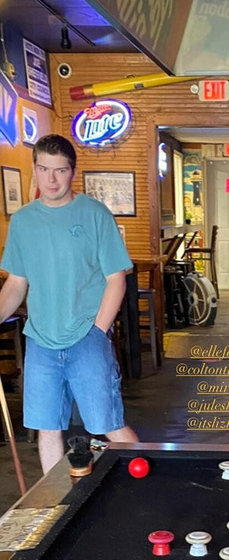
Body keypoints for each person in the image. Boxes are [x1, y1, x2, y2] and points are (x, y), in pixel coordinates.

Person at [0, 134, 138, 474]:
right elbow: (16, 283)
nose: (51, 179)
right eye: (43, 169)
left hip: (86, 336)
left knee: (109, 425)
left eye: (60, 170)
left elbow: (116, 279)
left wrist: (97, 331)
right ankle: (57, 500)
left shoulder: (94, 214)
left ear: (72, 172)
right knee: (48, 428)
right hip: (40, 341)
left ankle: (148, 484)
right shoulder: (23, 221)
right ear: (35, 168)